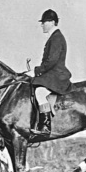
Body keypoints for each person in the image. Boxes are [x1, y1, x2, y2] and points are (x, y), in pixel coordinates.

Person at [29, 9, 71, 137]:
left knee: (39, 92)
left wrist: (36, 71)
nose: (42, 25)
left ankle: (46, 126)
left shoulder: (57, 38)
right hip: (51, 73)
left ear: (52, 22)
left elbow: (52, 61)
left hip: (57, 75)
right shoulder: (54, 37)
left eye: (44, 22)